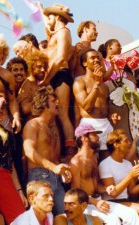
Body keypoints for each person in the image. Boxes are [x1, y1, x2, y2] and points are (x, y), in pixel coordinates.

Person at [23, 86, 71, 214]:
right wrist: (53, 167)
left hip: (55, 178)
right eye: (53, 101)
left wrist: (62, 171)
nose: (57, 103)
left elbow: (54, 158)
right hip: (39, 176)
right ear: (44, 104)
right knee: (42, 218)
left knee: (62, 217)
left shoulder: (50, 128)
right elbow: (29, 151)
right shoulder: (33, 124)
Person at [41, 3, 75, 150]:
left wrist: (47, 79)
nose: (48, 20)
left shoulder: (63, 32)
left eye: (50, 17)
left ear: (56, 17)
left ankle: (70, 147)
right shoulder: (56, 33)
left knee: (62, 113)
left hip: (60, 75)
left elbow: (61, 57)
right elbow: (47, 26)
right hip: (54, 75)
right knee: (54, 114)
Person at [73, 49, 112, 160]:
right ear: (85, 63)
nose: (96, 60)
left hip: (106, 124)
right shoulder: (79, 83)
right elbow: (87, 107)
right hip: (90, 125)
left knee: (107, 160)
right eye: (92, 58)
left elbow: (107, 108)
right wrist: (96, 85)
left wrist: (112, 116)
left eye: (98, 58)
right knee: (91, 160)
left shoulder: (104, 86)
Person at [18, 50, 45, 121]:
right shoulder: (27, 84)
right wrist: (44, 100)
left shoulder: (38, 84)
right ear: (31, 67)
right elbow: (25, 108)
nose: (43, 70)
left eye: (44, 67)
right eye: (39, 67)